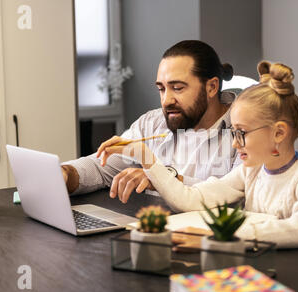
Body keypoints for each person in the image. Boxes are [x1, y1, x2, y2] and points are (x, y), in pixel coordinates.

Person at [97, 61, 298, 249]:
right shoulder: (249, 172)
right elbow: (190, 199)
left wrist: (223, 235)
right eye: (233, 132)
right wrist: (145, 157)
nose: (234, 144)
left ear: (279, 133)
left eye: (241, 133)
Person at [61, 40, 241, 203]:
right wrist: (66, 174)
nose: (166, 100)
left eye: (177, 88)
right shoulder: (152, 123)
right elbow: (101, 168)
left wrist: (159, 178)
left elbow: (234, 194)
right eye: (162, 89)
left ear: (211, 87)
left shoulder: (245, 130)